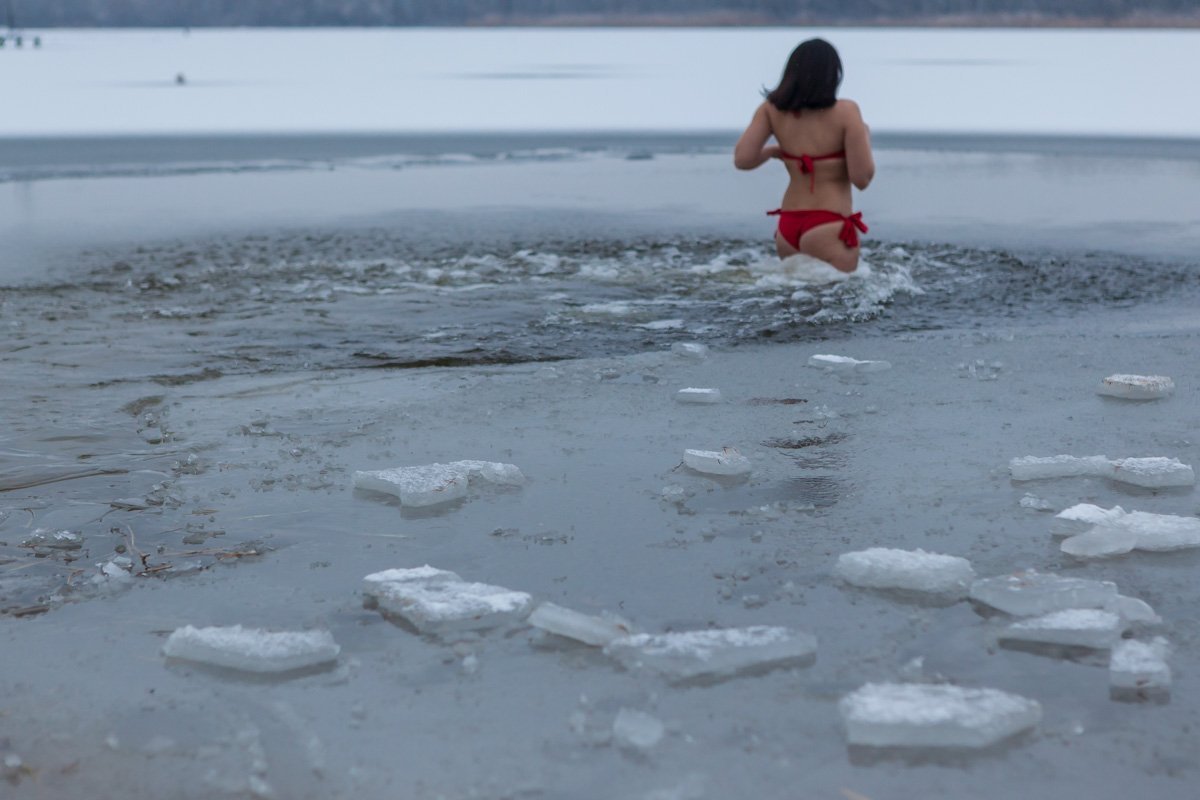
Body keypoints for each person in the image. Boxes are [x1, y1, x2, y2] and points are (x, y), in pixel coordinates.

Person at [734, 38, 875, 273]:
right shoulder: (846, 112)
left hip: (788, 227)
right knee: (834, 304)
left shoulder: (770, 109)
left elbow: (743, 159)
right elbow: (862, 178)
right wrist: (865, 137)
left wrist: (773, 151)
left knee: (794, 301)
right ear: (833, 74)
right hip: (829, 224)